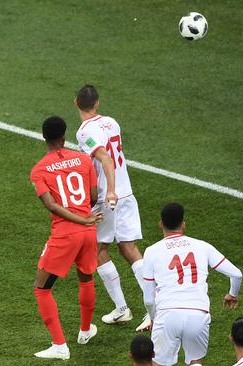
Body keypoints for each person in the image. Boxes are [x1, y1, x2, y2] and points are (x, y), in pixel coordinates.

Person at [74, 84, 150, 331]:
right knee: (128, 247)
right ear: (97, 103)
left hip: (108, 198)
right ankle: (154, 310)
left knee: (97, 249)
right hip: (127, 192)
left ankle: (122, 308)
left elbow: (105, 158)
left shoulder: (84, 132)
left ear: (76, 102)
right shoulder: (112, 122)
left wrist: (109, 190)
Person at [30, 116, 104, 360]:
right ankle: (85, 331)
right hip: (88, 232)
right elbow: (93, 196)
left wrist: (78, 219)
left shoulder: (39, 169)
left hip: (66, 233)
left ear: (44, 137)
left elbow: (50, 205)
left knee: (42, 288)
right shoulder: (84, 160)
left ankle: (59, 345)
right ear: (64, 136)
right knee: (86, 278)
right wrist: (84, 218)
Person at [142, 203, 243, 366]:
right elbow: (237, 274)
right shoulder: (203, 246)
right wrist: (232, 294)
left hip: (167, 314)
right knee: (195, 362)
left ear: (161, 224)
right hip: (198, 314)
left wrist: (153, 318)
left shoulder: (151, 251)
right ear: (183, 224)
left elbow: (148, 299)